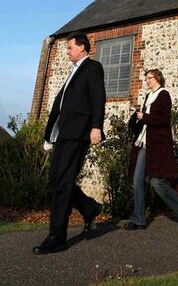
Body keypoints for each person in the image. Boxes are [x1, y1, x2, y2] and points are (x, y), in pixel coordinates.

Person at [33, 32, 106, 254]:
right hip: (63, 134)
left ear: (82, 48)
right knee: (56, 178)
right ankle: (89, 207)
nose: (67, 52)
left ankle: (57, 236)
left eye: (70, 48)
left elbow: (98, 96)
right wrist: (49, 135)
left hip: (78, 132)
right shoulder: (74, 72)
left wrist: (96, 126)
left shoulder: (92, 68)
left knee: (63, 182)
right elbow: (61, 102)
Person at [125, 69, 178, 230]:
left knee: (157, 182)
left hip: (158, 145)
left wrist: (145, 117)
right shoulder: (148, 97)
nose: (147, 81)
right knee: (137, 181)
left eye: (150, 78)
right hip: (144, 142)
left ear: (158, 78)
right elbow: (145, 121)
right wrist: (136, 118)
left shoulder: (164, 95)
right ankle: (138, 219)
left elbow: (164, 119)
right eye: (146, 78)